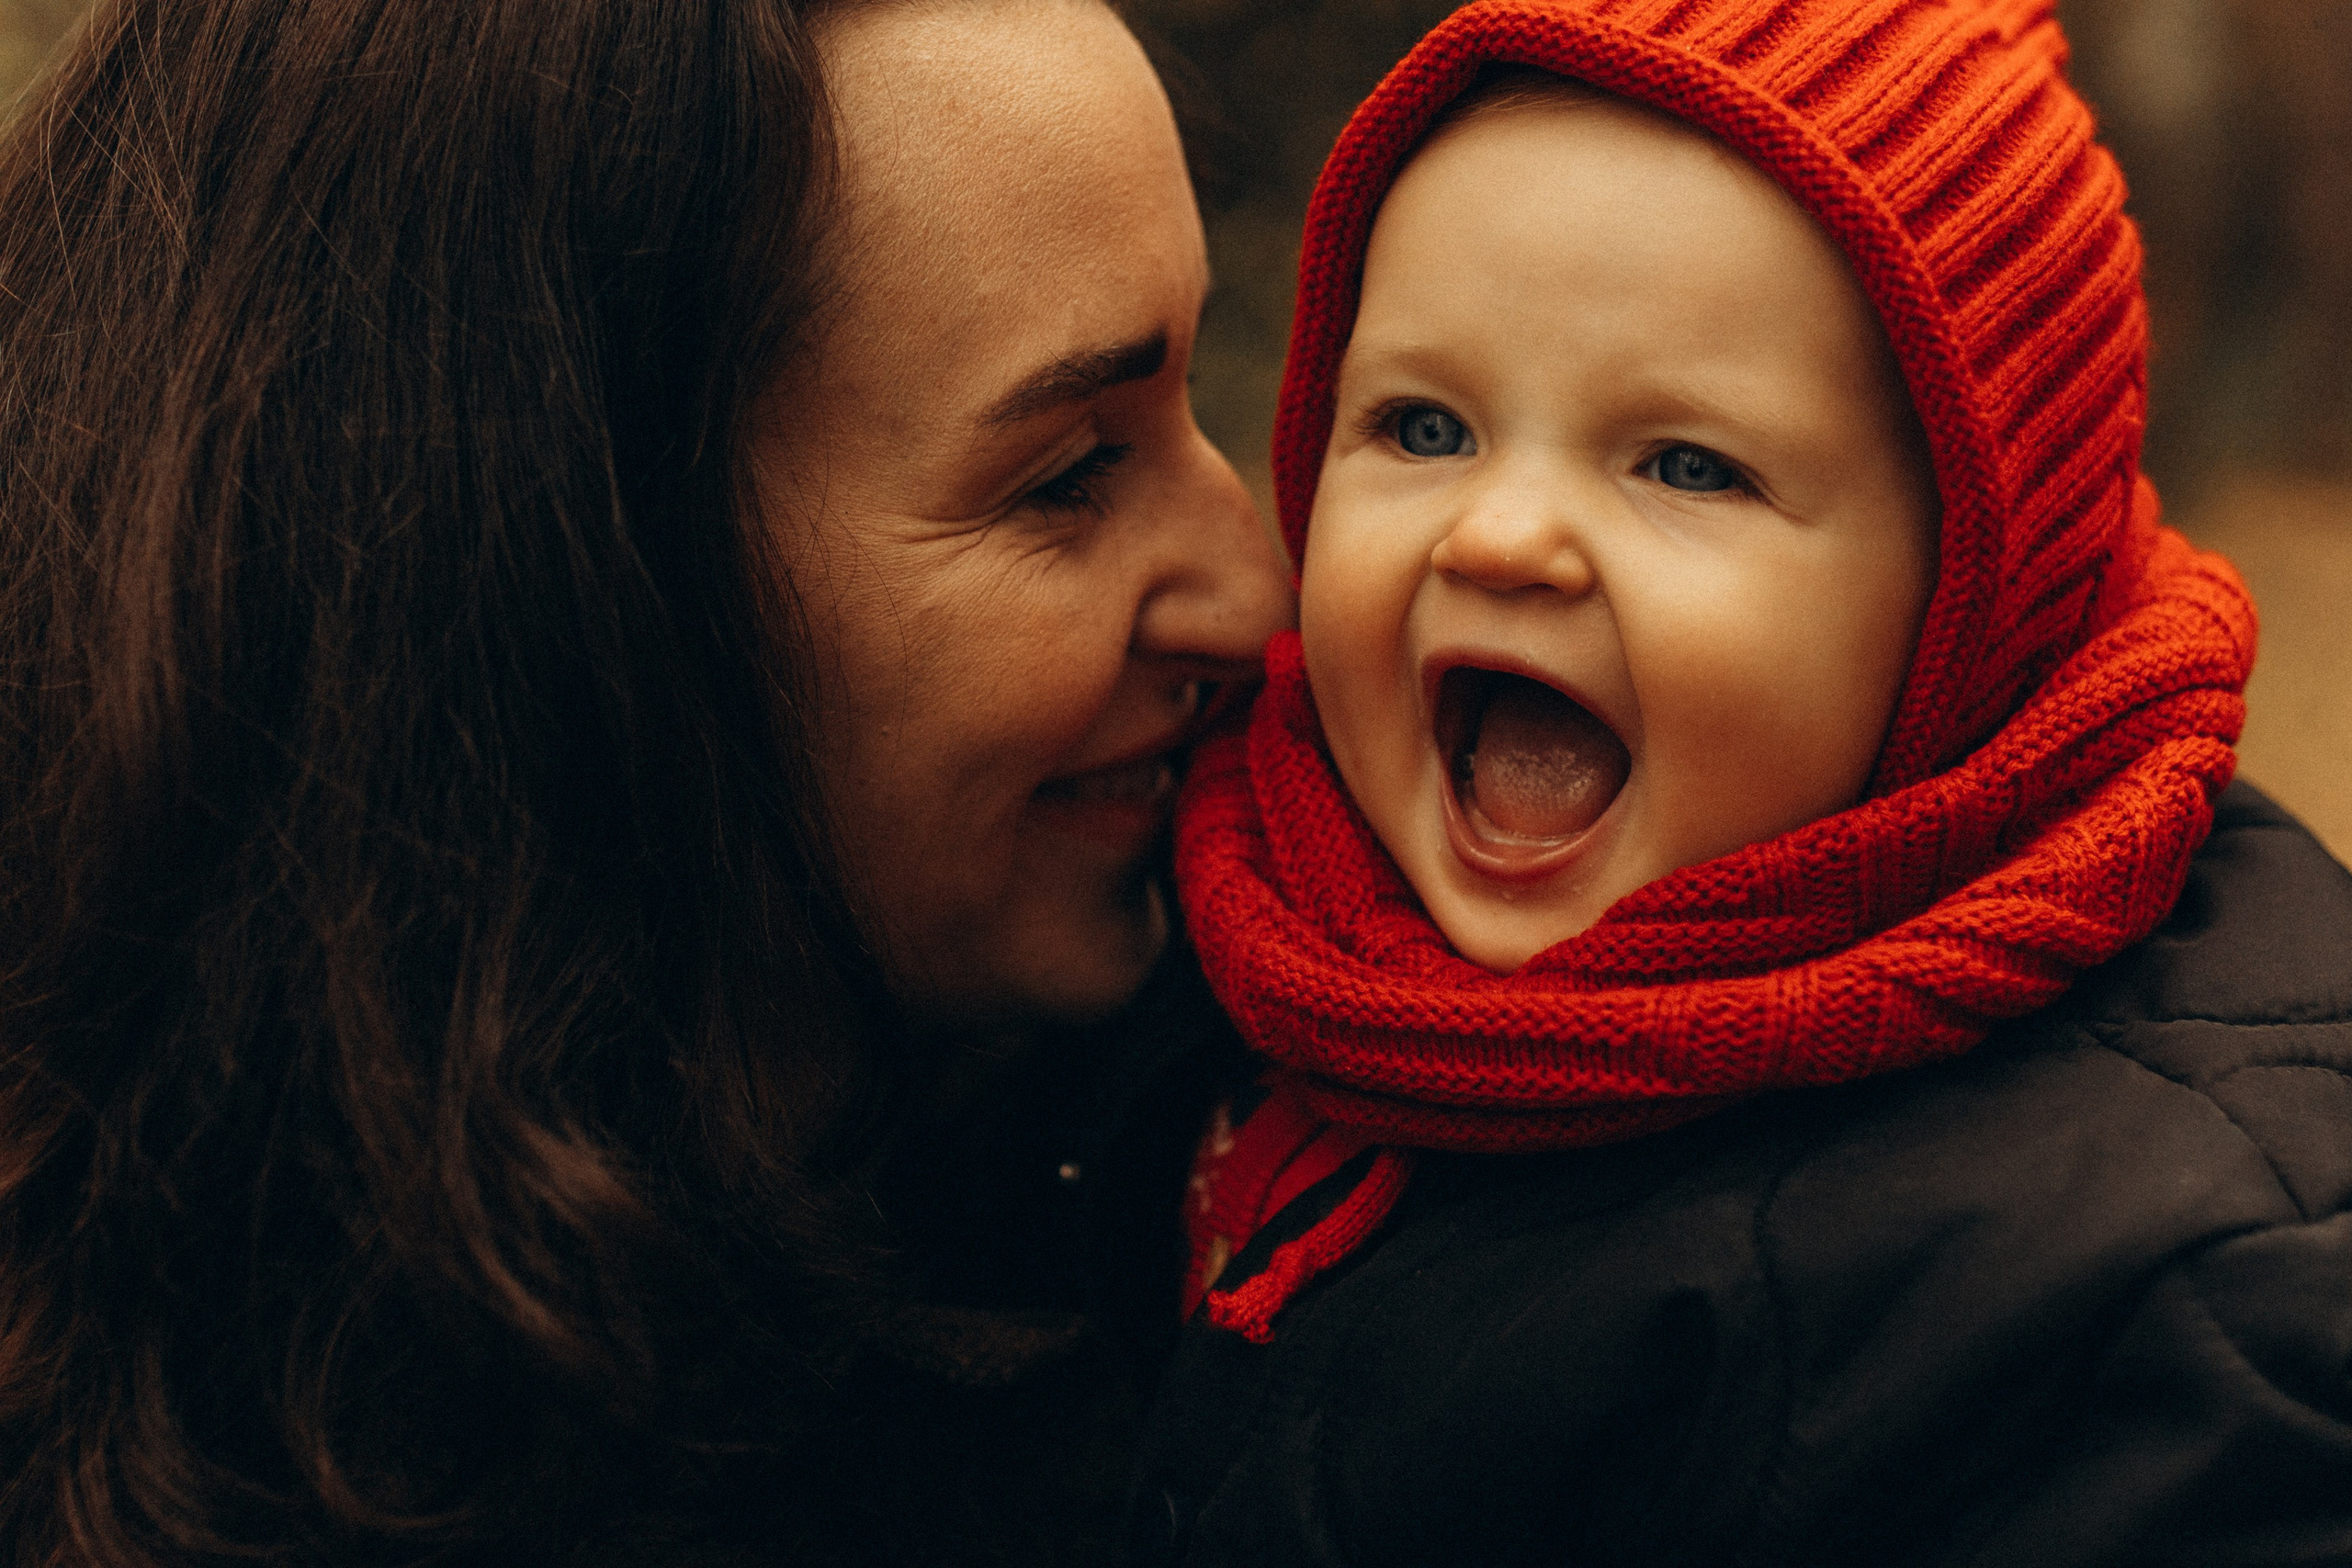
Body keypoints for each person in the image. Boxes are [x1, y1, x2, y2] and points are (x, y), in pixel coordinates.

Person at [0, 0, 1287, 1562]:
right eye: (1067, 474)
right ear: (556, 580)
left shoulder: (1250, 1171)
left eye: (1192, 410)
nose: (1255, 588)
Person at [1127, 0, 2352, 1562]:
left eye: (1685, 465)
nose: (1497, 535)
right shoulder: (1218, 899)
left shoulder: (2162, 1297)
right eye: (1423, 426)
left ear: (1975, 599)